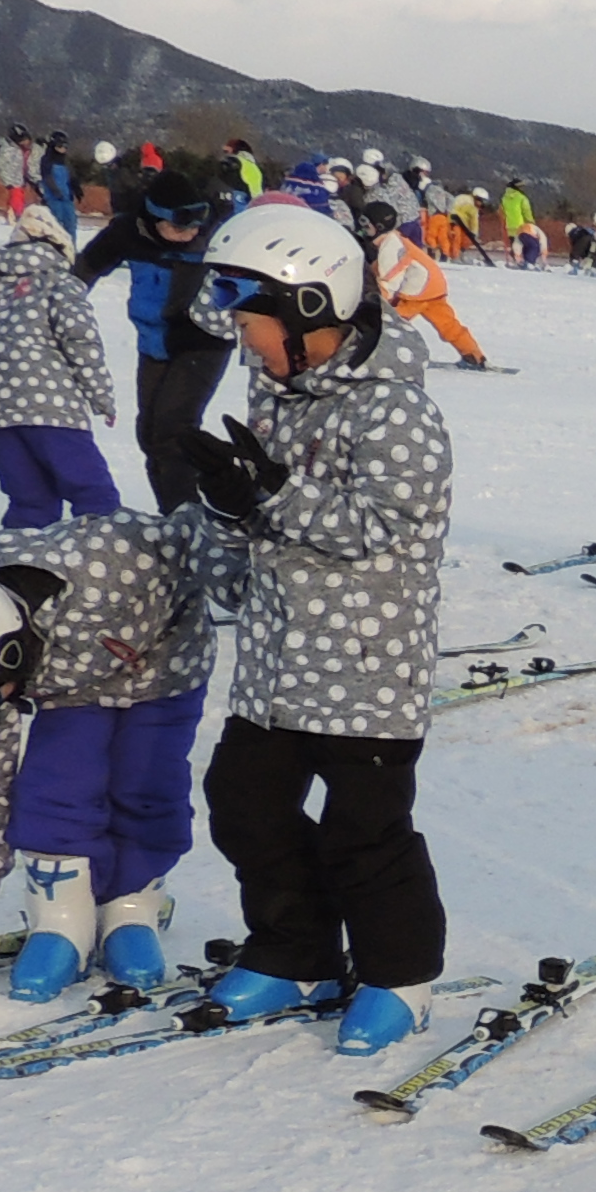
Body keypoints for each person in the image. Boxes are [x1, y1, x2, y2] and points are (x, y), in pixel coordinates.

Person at [175, 200, 455, 1055]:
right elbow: (249, 541)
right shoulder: (278, 395)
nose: (243, 342)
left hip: (367, 671)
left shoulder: (396, 411)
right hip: (275, 664)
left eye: (250, 323)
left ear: (306, 310)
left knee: (364, 834)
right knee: (243, 803)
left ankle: (400, 975)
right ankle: (297, 950)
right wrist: (226, 509)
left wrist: (271, 491)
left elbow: (384, 526)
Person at [0, 515, 213, 1001]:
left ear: (10, 652)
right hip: (67, 682)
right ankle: (60, 919)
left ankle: (132, 905)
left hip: (163, 662)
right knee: (56, 786)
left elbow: (197, 533)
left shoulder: (108, 564)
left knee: (147, 784)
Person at [70, 164, 237, 512]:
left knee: (172, 430)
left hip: (202, 342)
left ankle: (186, 517)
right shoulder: (127, 231)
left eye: (196, 224)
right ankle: (172, 513)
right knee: (148, 432)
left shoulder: (216, 234)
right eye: (180, 226)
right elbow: (81, 273)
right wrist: (54, 309)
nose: (190, 233)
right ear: (155, 218)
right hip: (154, 342)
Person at [0, 201, 125, 528]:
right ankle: (105, 554)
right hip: (51, 409)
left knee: (32, 503)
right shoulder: (58, 282)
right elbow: (81, 342)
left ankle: (22, 559)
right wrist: (102, 398)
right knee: (94, 496)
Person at [362, 200, 492, 369]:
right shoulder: (396, 239)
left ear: (379, 226)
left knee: (388, 321)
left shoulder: (390, 245)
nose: (363, 229)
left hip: (417, 291)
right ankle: (473, 355)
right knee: (448, 324)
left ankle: (375, 354)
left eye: (366, 224)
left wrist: (380, 299)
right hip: (434, 286)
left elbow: (390, 275)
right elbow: (380, 268)